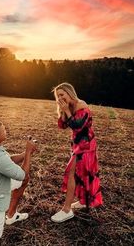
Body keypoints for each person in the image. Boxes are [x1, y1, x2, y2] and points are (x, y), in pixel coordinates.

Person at [51, 82, 103, 223]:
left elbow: (78, 126)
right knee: (82, 174)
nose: (60, 98)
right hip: (76, 144)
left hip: (86, 146)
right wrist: (63, 111)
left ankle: (67, 210)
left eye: (62, 94)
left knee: (72, 173)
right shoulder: (68, 106)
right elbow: (62, 126)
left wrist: (67, 111)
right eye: (58, 96)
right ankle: (83, 201)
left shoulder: (81, 105)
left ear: (69, 92)